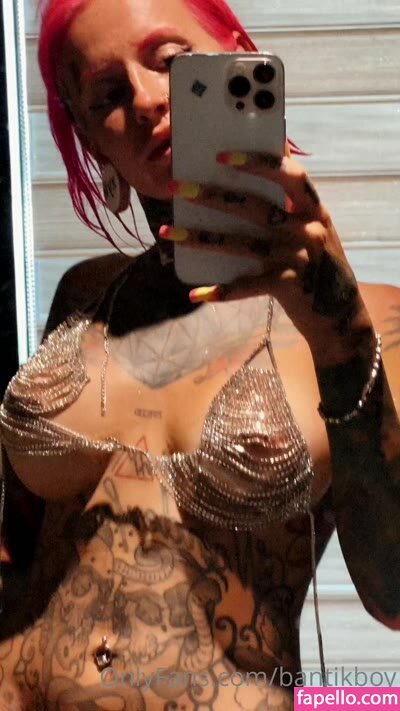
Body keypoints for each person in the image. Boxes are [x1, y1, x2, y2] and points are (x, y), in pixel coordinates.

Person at [1, 0, 400, 708]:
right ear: (92, 141)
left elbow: (394, 594)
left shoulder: (377, 321)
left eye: (172, 64)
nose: (147, 100)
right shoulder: (86, 295)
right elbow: (18, 544)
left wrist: (337, 328)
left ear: (239, 60)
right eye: (107, 95)